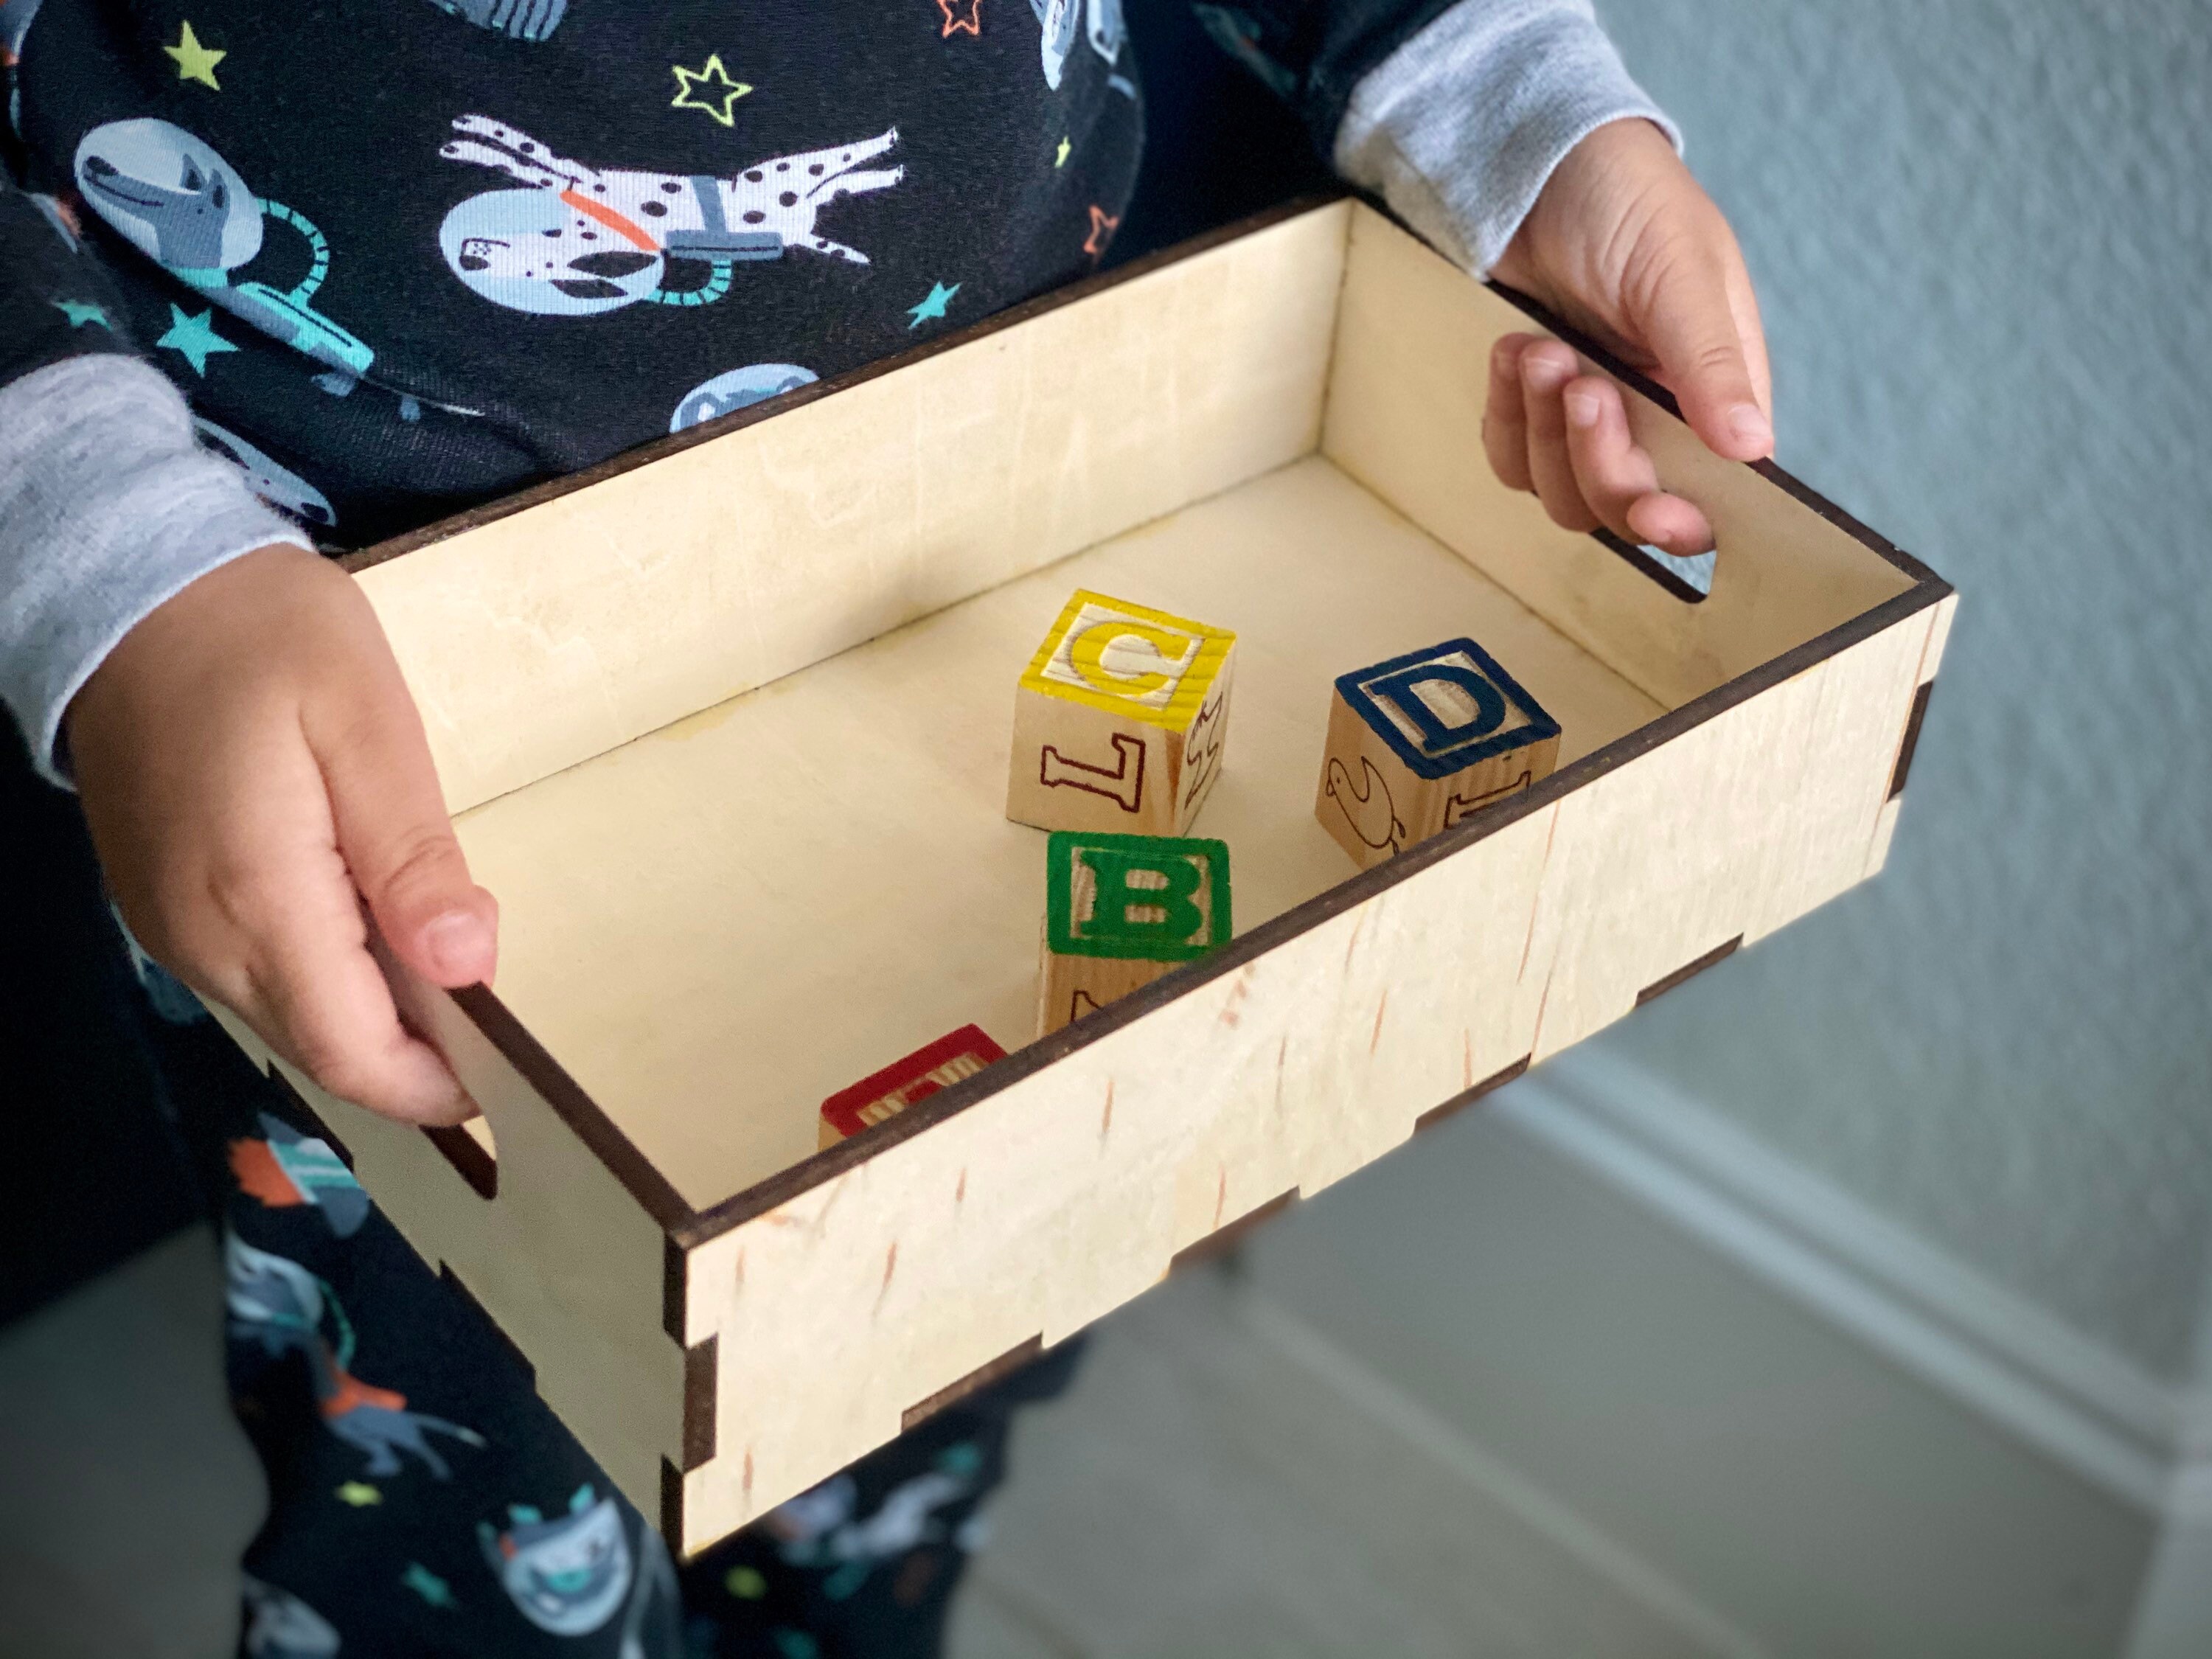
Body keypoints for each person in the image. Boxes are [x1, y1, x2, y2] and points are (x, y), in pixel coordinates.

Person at [0, 1, 1771, 1653]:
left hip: (1013, 483)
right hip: (345, 686)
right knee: (468, 1481)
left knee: (944, 1333)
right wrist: (105, 548)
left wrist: (1506, 99)